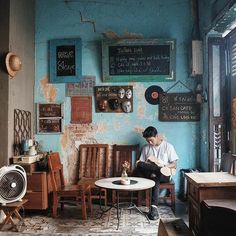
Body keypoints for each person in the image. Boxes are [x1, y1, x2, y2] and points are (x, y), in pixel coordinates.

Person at [132, 126, 179, 220]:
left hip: (164, 173)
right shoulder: (146, 148)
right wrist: (149, 166)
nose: (149, 143)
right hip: (150, 174)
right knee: (140, 165)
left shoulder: (168, 146)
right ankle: (154, 208)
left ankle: (153, 207)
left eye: (151, 140)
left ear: (157, 136)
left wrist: (163, 166)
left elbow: (174, 164)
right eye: (147, 141)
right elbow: (140, 164)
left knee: (156, 175)